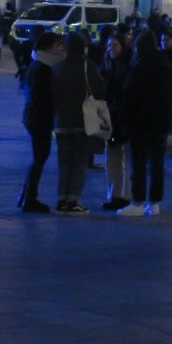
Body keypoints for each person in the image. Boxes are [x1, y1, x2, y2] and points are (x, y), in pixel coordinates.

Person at [118, 30, 172, 216]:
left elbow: (130, 95)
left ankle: (138, 201)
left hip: (141, 122)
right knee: (157, 164)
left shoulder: (140, 66)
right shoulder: (164, 64)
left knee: (139, 163)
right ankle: (155, 203)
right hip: (160, 122)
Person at [51, 31, 103, 214]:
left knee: (64, 161)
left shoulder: (58, 68)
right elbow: (98, 90)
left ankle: (61, 199)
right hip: (83, 121)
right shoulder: (87, 67)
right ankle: (73, 200)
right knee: (80, 162)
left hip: (61, 121)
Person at [16, 32, 63, 213]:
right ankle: (30, 199)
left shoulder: (41, 65)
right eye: (58, 45)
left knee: (39, 158)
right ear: (49, 47)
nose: (61, 49)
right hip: (38, 119)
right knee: (39, 158)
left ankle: (26, 195)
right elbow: (39, 96)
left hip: (35, 118)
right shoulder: (42, 68)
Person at [98, 27, 133, 211]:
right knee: (113, 158)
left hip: (122, 119)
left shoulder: (125, 67)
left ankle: (123, 195)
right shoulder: (108, 66)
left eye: (116, 45)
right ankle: (115, 194)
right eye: (110, 45)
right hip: (111, 119)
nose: (112, 48)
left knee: (121, 157)